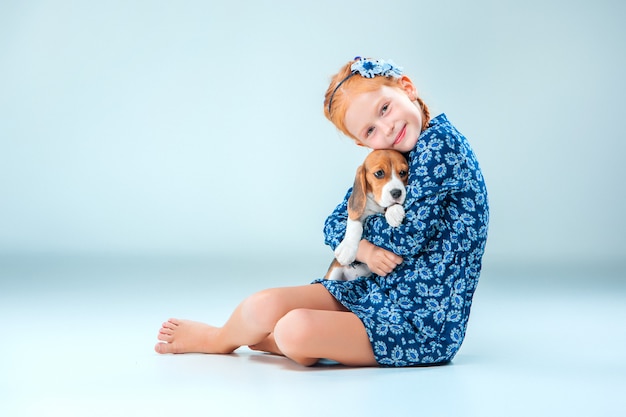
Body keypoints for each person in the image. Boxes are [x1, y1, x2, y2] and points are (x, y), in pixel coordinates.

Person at [155, 57, 489, 367]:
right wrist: (364, 249)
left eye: (384, 108)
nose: (385, 129)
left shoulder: (440, 145)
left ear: (407, 87)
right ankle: (219, 338)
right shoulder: (394, 153)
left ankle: (290, 342)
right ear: (364, 144)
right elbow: (334, 223)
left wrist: (356, 235)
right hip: (372, 290)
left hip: (419, 322)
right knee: (263, 305)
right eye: (370, 130)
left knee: (293, 329)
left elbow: (406, 236)